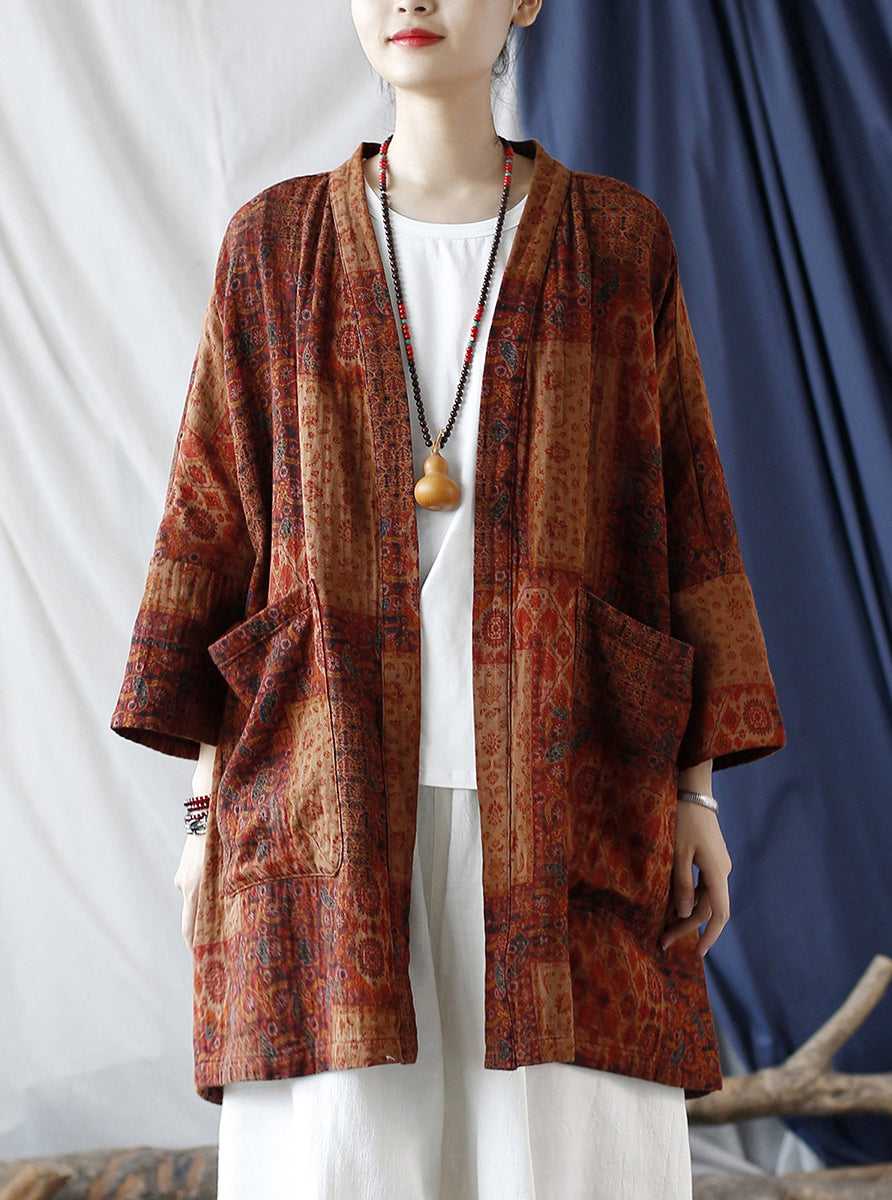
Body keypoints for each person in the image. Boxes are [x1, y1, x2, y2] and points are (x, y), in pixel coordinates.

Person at [112, 1, 784, 1196]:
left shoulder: (617, 244)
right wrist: (207, 815)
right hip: (324, 800)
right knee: (343, 1161)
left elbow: (683, 524)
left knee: (567, 1162)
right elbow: (214, 534)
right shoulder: (274, 247)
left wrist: (697, 793)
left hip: (573, 790)